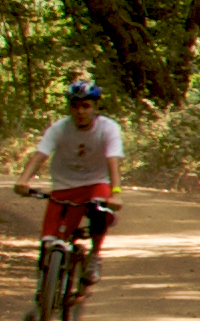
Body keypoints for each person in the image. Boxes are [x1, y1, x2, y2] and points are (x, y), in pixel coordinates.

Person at [15, 79, 129, 263]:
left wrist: (115, 193)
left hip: (96, 183)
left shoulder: (108, 128)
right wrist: (23, 180)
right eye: (75, 106)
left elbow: (113, 160)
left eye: (86, 106)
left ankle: (94, 256)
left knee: (100, 214)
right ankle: (46, 287)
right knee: (48, 243)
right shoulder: (59, 128)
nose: (80, 112)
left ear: (95, 108)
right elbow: (40, 154)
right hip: (64, 186)